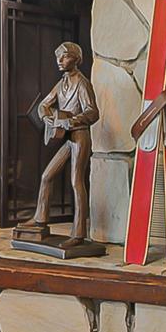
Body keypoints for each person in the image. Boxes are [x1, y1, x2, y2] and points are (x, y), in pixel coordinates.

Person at [26, 40, 101, 250]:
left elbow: (93, 112)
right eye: (58, 57)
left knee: (76, 181)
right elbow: (44, 105)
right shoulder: (61, 84)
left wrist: (72, 120)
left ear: (76, 59)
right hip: (66, 138)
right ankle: (40, 218)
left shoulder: (83, 83)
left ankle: (78, 234)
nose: (59, 61)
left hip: (79, 137)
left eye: (64, 56)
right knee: (46, 176)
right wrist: (47, 118)